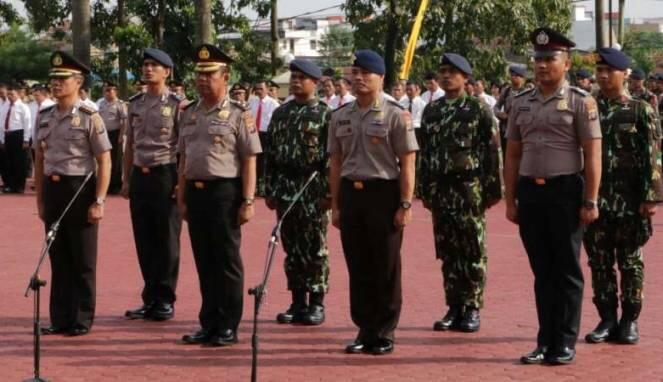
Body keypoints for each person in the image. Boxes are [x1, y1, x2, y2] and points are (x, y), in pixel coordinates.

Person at [505, 27, 602, 365]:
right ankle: (544, 341)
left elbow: (592, 154)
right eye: (538, 59)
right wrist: (510, 198)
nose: (542, 65)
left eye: (550, 59)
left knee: (566, 270)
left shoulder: (580, 101)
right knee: (542, 271)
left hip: (565, 192)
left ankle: (564, 342)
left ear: (567, 62)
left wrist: (591, 200)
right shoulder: (520, 103)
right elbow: (513, 153)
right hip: (531, 191)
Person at [328, 50, 418, 355]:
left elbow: (407, 163)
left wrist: (405, 204)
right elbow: (336, 163)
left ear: (381, 78)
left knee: (385, 265)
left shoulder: (396, 114)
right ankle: (364, 329)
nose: (360, 78)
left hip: (384, 194)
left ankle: (384, 331)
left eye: (367, 73)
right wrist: (336, 204)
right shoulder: (340, 115)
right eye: (356, 72)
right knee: (358, 265)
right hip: (352, 194)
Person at [177, 44, 261, 347]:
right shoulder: (188, 113)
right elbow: (183, 158)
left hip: (225, 193)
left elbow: (250, 158)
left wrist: (248, 200)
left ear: (225, 76)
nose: (202, 79)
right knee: (204, 260)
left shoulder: (239, 114)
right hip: (196, 193)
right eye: (198, 74)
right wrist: (182, 195)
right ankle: (209, 321)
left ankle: (227, 324)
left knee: (226, 260)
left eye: (209, 74)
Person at [583, 48, 663, 346]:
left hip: (630, 200)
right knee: (599, 261)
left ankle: (629, 320)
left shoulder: (641, 109)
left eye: (609, 71)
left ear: (624, 74)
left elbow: (653, 156)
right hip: (596, 199)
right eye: (599, 71)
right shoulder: (588, 108)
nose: (603, 76)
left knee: (630, 261)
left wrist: (651, 197)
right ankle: (606, 318)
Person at [419, 53, 503, 333]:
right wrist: (425, 190)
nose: (446, 76)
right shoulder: (432, 110)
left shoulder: (478, 110)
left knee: (472, 250)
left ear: (465, 77)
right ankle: (453, 306)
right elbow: (425, 153)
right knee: (448, 251)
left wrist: (491, 192)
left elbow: (492, 153)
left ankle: (472, 307)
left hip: (469, 190)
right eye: (442, 71)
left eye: (452, 72)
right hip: (442, 191)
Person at [36, 50, 111, 336]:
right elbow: (39, 159)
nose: (56, 84)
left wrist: (99, 200)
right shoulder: (44, 116)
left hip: (79, 190)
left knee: (82, 259)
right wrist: (41, 199)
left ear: (78, 81)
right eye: (53, 79)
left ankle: (81, 318)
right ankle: (60, 318)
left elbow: (104, 159)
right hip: (54, 189)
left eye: (62, 79)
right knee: (59, 256)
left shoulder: (90, 116)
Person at [264, 59, 332, 326]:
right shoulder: (281, 113)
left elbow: (330, 158)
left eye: (301, 78)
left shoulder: (325, 114)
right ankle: (297, 300)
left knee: (315, 246)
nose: (295, 82)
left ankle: (316, 302)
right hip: (285, 187)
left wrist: (328, 193)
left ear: (314, 82)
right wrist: (269, 188)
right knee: (291, 246)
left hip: (312, 186)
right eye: (293, 77)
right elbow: (271, 155)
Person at [122, 48, 183, 321]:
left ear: (167, 72)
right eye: (145, 65)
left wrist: (180, 181)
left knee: (167, 240)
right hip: (140, 174)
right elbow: (129, 144)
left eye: (154, 66)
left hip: (165, 173)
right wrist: (125, 178)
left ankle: (165, 298)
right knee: (144, 238)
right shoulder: (134, 103)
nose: (148, 70)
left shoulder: (178, 105)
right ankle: (150, 297)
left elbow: (185, 147)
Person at [248, 80, 279, 196]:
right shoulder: (252, 102)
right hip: (254, 134)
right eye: (257, 89)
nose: (259, 91)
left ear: (267, 89)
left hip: (267, 135)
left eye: (261, 89)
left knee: (265, 161)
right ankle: (254, 186)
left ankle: (264, 187)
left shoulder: (273, 104)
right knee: (254, 160)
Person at [0, 83, 32, 193]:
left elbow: (27, 124)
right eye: (8, 94)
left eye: (12, 94)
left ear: (18, 94)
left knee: (19, 162)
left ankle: (19, 185)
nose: (10, 96)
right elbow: (1, 123)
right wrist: (2, 139)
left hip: (19, 134)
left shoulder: (23, 107)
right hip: (8, 134)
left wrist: (26, 139)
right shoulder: (5, 106)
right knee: (8, 162)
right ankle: (10, 185)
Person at [97, 81, 127, 194]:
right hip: (103, 134)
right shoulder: (100, 103)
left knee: (116, 160)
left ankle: (116, 184)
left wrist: (121, 136)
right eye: (106, 90)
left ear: (116, 91)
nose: (109, 93)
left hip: (115, 134)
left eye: (111, 90)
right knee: (104, 159)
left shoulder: (120, 104)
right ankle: (106, 184)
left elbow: (124, 120)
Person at [494, 66, 527, 153]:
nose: (514, 77)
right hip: (506, 129)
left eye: (517, 76)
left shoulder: (526, 93)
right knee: (506, 153)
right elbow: (496, 107)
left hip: (520, 129)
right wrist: (499, 114)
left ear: (522, 78)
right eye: (512, 75)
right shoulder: (506, 91)